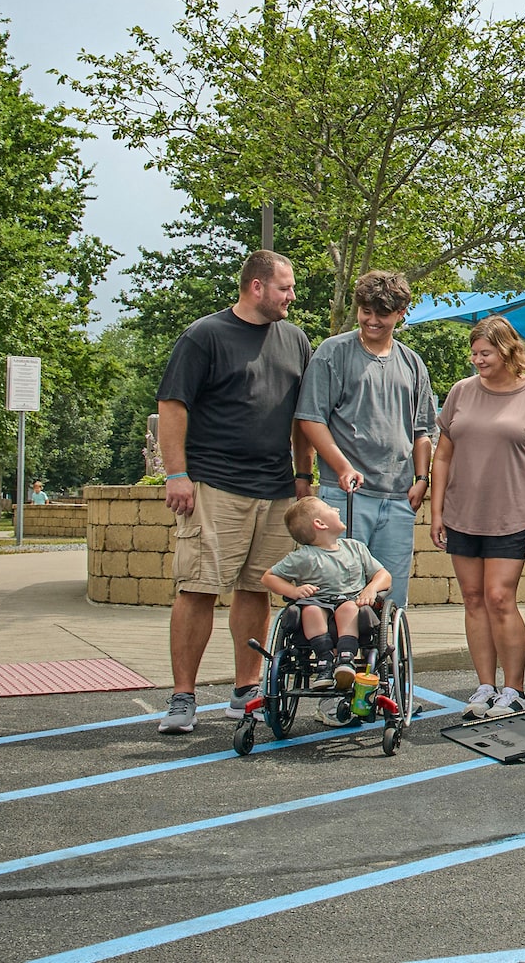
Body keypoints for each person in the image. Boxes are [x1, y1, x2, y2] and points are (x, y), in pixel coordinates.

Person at [154, 249, 315, 735]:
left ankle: (246, 688)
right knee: (198, 588)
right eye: (285, 288)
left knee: (255, 589)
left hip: (274, 487)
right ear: (256, 287)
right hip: (213, 483)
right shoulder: (204, 336)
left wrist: (302, 477)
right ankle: (184, 695)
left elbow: (301, 419)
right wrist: (175, 474)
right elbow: (172, 405)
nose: (292, 296)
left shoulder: (295, 340)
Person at [429, 316, 525, 720]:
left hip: (514, 518)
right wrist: (437, 512)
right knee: (473, 600)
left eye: (484, 353)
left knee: (500, 598)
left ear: (507, 351)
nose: (477, 361)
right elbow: (443, 454)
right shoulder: (460, 393)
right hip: (462, 515)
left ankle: (515, 690)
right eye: (473, 354)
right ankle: (485, 686)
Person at [294, 269, 437, 611]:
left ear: (401, 313)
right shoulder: (333, 353)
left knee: (389, 598)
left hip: (398, 498)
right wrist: (342, 467)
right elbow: (310, 420)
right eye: (366, 311)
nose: (372, 320)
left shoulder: (412, 363)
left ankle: (379, 663)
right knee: (340, 592)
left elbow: (423, 430)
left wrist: (421, 478)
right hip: (345, 497)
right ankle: (339, 659)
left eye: (382, 314)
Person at [260, 497, 391, 689]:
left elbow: (383, 575)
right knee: (310, 610)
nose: (337, 509)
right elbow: (268, 577)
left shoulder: (355, 548)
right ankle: (325, 661)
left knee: (348, 607)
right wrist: (293, 590)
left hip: (350, 602)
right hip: (317, 604)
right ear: (320, 524)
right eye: (330, 508)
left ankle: (345, 659)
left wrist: (371, 588)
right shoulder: (302, 557)